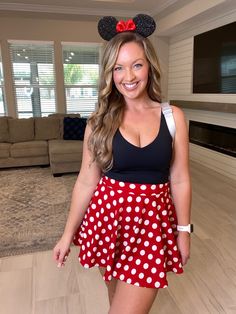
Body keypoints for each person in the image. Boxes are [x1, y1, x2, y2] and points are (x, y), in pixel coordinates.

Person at [53, 14, 192, 314]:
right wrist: (66, 235)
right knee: (115, 301)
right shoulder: (99, 122)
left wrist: (184, 231)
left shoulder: (173, 116)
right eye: (118, 67)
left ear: (149, 66)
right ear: (109, 73)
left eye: (136, 64)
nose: (128, 76)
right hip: (108, 223)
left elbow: (180, 179)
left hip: (152, 227)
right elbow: (86, 182)